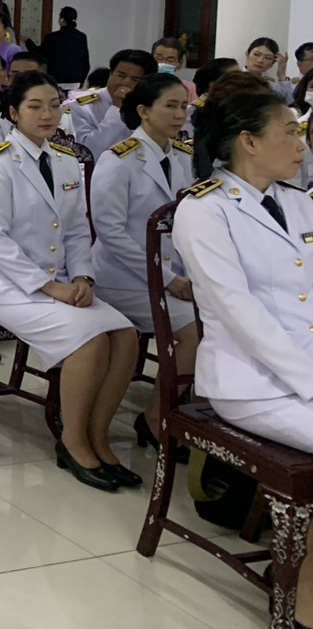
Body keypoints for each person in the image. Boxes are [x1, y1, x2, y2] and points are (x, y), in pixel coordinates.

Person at [175, 90, 313, 629]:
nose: (301, 142)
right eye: (289, 132)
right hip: (249, 382)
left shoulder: (300, 202)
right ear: (249, 142)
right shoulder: (202, 209)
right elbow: (240, 313)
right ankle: (307, 598)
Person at [0, 70, 140, 492]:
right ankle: (72, 439)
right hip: (6, 283)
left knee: (126, 334)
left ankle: (98, 436)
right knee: (92, 338)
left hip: (64, 279)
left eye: (53, 105)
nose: (47, 114)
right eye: (35, 106)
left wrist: (82, 276)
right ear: (13, 113)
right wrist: (51, 287)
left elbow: (79, 231)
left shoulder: (67, 161)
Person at [89, 73, 200, 449]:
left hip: (172, 275)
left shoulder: (183, 157)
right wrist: (168, 279)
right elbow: (111, 232)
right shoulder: (118, 160)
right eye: (170, 105)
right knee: (192, 330)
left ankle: (196, 415)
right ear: (143, 111)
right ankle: (156, 419)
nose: (179, 114)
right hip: (121, 278)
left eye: (184, 106)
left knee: (220, 321)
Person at [69, 48, 157, 158]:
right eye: (121, 76)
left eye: (135, 80)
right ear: (110, 74)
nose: (125, 83)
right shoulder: (80, 107)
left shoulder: (151, 106)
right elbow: (89, 153)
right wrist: (117, 108)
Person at [39, 7, 90, 87]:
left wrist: (27, 41)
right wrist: (82, 79)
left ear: (62, 20)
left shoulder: (52, 37)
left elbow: (40, 54)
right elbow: (85, 62)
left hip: (56, 81)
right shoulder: (82, 37)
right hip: (76, 82)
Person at [245, 36, 295, 102]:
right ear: (247, 54)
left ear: (272, 63)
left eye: (267, 58)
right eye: (256, 54)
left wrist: (282, 75)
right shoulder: (233, 78)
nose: (260, 60)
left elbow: (289, 103)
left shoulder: (270, 85)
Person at [151, 36, 196, 101]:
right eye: (159, 59)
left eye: (170, 60)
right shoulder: (141, 85)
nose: (163, 63)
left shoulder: (190, 88)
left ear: (179, 64)